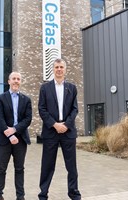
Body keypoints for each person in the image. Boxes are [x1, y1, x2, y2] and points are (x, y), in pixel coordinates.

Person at [38, 58, 81, 200]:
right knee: (47, 165)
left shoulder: (72, 88)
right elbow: (42, 109)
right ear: (53, 69)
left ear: (65, 69)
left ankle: (74, 193)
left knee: (71, 166)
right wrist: (55, 125)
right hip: (51, 132)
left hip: (68, 132)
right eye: (56, 67)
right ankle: (43, 194)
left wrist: (66, 125)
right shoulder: (45, 88)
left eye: (61, 67)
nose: (59, 69)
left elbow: (75, 109)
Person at [0, 72, 32, 200]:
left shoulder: (26, 100)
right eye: (14, 79)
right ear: (8, 81)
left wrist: (15, 130)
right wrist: (10, 135)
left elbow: (28, 119)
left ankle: (20, 196)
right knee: (1, 168)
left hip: (20, 140)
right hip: (3, 140)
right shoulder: (0, 98)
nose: (16, 81)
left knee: (19, 169)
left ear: (20, 82)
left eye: (18, 79)